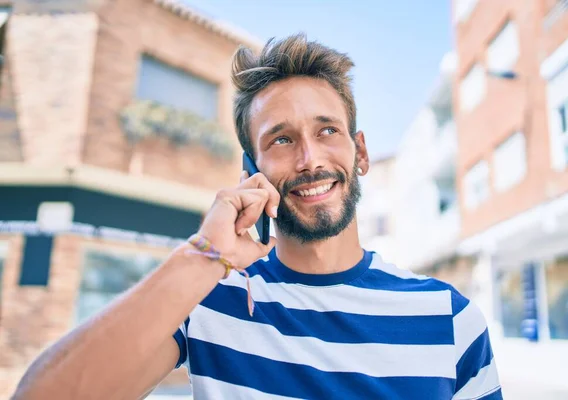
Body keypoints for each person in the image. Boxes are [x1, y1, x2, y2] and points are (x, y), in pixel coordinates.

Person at [12, 34, 502, 400]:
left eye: (327, 130)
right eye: (281, 139)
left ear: (361, 154)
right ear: (251, 171)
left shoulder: (449, 318)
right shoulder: (209, 302)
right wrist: (203, 257)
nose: (310, 158)